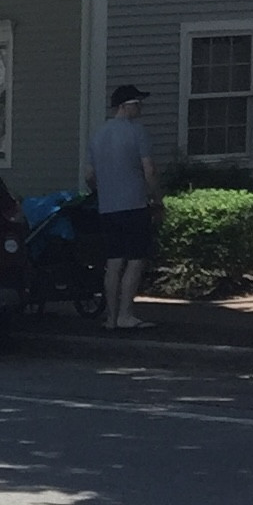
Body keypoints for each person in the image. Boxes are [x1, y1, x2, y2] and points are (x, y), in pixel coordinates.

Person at [85, 84, 161, 331]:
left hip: (108, 208)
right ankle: (126, 314)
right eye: (136, 104)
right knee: (136, 260)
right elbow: (148, 169)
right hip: (134, 204)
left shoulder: (98, 135)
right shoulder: (137, 132)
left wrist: (104, 190)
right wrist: (157, 198)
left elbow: (89, 176)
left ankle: (111, 317)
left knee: (114, 261)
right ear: (124, 106)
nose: (140, 108)